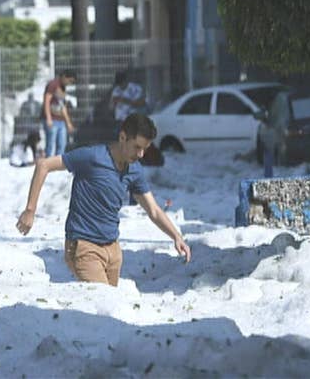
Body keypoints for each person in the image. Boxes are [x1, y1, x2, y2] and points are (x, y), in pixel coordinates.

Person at [16, 113, 191, 286]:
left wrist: (176, 236)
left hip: (113, 252)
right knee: (103, 303)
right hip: (84, 247)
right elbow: (44, 165)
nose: (141, 154)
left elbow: (153, 210)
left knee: (106, 311)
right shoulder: (92, 157)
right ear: (123, 137)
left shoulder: (135, 170)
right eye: (137, 147)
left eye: (145, 148)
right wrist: (30, 210)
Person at [42, 70, 76, 157]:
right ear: (64, 77)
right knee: (51, 145)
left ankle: (57, 165)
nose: (70, 83)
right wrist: (48, 118)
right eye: (70, 81)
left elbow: (63, 106)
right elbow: (46, 101)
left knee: (62, 144)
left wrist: (68, 122)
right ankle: (48, 164)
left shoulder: (63, 87)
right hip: (52, 120)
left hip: (61, 121)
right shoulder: (53, 84)